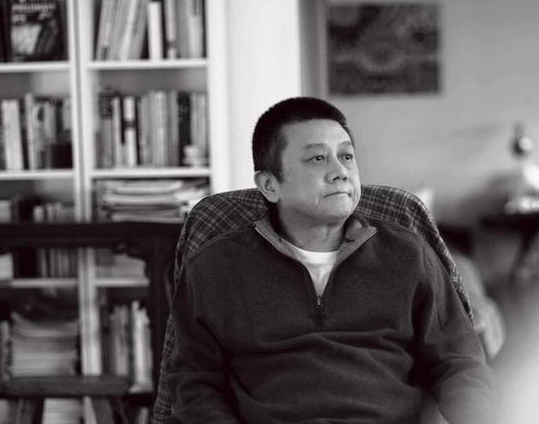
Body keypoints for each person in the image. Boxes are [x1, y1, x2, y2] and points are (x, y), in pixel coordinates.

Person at [165, 97, 494, 423]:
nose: (340, 172)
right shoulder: (215, 267)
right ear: (269, 185)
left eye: (346, 156)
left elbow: (460, 366)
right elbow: (195, 386)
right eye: (317, 158)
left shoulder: (408, 254)